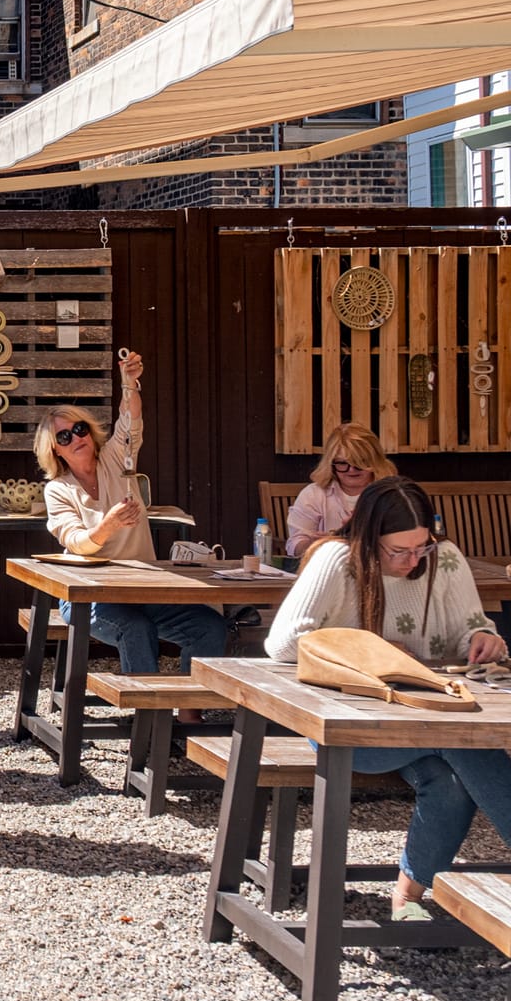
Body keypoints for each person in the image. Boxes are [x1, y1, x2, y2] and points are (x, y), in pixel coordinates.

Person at [266, 477, 511, 921]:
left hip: (430, 721)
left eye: (422, 547)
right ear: (368, 538)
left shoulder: (446, 560)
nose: (413, 560)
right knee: (467, 743)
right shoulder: (337, 560)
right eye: (398, 551)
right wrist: (371, 652)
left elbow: (470, 627)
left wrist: (483, 637)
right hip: (353, 730)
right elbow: (283, 644)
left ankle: (408, 899)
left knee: (451, 782)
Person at [37, 353, 227, 713]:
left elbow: (131, 420)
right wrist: (109, 523)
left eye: (79, 429)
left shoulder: (114, 460)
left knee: (210, 627)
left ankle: (189, 714)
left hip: (144, 586)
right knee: (135, 628)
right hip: (92, 597)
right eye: (64, 436)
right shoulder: (58, 489)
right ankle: (149, 727)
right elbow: (76, 542)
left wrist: (129, 381)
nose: (75, 437)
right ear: (55, 450)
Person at [286, 422, 397, 557]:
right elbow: (295, 545)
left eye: (359, 463)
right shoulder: (314, 494)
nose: (351, 470)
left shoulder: (391, 494)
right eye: (342, 463)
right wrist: (313, 545)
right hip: (328, 568)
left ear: (375, 461)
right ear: (331, 464)